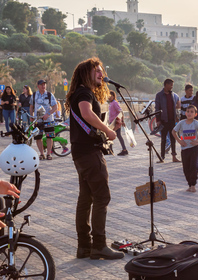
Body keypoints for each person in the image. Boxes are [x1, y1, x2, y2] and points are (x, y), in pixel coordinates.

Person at [65, 57, 124, 260]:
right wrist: (108, 130)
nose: (101, 73)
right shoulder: (84, 92)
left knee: (86, 198)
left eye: (101, 70)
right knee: (101, 197)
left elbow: (87, 121)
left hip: (80, 152)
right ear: (85, 73)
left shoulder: (79, 92)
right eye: (96, 71)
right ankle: (99, 245)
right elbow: (87, 113)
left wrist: (109, 127)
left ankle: (84, 247)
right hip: (90, 154)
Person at [172, 105, 198, 192]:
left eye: (192, 112)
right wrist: (179, 141)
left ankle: (193, 185)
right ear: (185, 113)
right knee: (186, 168)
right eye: (188, 111)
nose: (189, 113)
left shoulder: (196, 123)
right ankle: (189, 184)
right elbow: (173, 131)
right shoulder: (181, 123)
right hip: (184, 149)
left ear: (195, 114)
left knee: (194, 166)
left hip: (194, 148)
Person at [30, 80, 57, 160]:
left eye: (44, 84)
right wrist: (31, 116)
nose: (43, 86)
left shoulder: (49, 95)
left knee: (49, 137)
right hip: (38, 120)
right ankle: (42, 154)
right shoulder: (34, 95)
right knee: (38, 137)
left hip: (48, 119)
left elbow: (55, 107)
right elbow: (31, 107)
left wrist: (48, 114)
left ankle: (49, 154)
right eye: (41, 84)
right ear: (38, 86)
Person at [155, 79, 181, 162]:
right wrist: (158, 120)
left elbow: (176, 107)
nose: (172, 87)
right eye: (170, 85)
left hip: (172, 120)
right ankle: (162, 157)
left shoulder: (173, 95)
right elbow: (157, 108)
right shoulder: (159, 95)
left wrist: (176, 116)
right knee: (163, 139)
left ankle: (174, 157)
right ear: (166, 85)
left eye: (172, 85)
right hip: (163, 120)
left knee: (173, 139)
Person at [108, 90, 128, 156]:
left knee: (111, 135)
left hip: (116, 123)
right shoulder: (111, 103)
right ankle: (123, 149)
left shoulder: (115, 103)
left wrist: (122, 121)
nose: (108, 97)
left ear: (113, 96)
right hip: (112, 122)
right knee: (117, 135)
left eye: (110, 96)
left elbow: (120, 111)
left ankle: (111, 150)